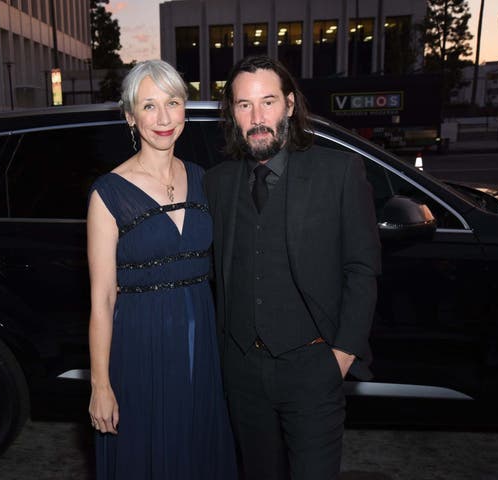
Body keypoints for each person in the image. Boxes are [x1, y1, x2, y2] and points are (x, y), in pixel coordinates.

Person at [204, 55, 382, 480]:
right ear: (232, 113)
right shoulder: (218, 182)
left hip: (313, 368)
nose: (257, 116)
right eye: (244, 105)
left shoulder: (337, 171)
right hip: (242, 371)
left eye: (268, 102)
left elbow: (362, 267)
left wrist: (341, 356)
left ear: (289, 104)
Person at [87, 60, 237, 480]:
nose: (164, 118)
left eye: (172, 102)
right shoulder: (108, 193)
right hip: (140, 342)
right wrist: (100, 385)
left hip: (201, 340)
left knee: (197, 449)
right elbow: (102, 298)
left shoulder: (203, 179)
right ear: (130, 116)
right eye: (149, 106)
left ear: (184, 109)